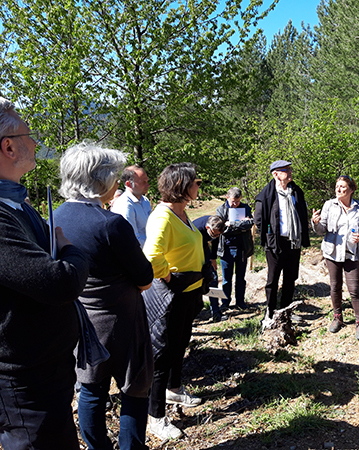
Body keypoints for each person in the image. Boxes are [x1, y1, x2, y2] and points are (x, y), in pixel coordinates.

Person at [0, 97, 89, 449]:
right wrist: (68, 247)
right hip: (24, 383)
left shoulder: (15, 203)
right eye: (29, 134)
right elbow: (60, 281)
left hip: (44, 371)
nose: (35, 142)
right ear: (8, 146)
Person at [54, 143, 154, 450]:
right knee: (134, 390)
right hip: (123, 322)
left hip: (80, 322)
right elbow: (145, 277)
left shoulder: (54, 218)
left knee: (91, 390)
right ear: (101, 180)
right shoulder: (111, 224)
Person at [143, 163, 205, 440]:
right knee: (163, 354)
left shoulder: (182, 213)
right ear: (181, 186)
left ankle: (175, 390)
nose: (199, 185)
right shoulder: (163, 217)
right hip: (172, 296)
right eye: (196, 181)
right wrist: (168, 276)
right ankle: (155, 417)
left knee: (180, 344)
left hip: (190, 292)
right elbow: (151, 255)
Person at [312, 176, 359, 341]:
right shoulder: (329, 205)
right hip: (332, 252)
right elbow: (321, 230)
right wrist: (315, 223)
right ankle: (337, 317)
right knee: (335, 286)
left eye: (342, 187)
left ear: (351, 189)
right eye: (336, 186)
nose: (338, 189)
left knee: (354, 289)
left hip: (352, 253)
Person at [255, 160, 310, 318]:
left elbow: (301, 213)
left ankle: (286, 311)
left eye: (290, 169)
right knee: (273, 280)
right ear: (276, 174)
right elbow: (259, 220)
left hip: (293, 242)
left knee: (290, 278)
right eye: (286, 170)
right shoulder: (266, 195)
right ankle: (270, 312)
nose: (290, 172)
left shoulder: (296, 191)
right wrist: (270, 234)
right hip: (275, 244)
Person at [215, 187, 254, 311]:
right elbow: (222, 229)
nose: (235, 204)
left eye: (237, 202)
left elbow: (250, 224)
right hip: (226, 249)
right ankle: (225, 303)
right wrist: (241, 225)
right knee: (227, 279)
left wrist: (232, 224)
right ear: (227, 198)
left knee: (240, 278)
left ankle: (240, 302)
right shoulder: (221, 210)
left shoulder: (246, 208)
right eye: (233, 201)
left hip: (242, 249)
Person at [191, 215, 227, 322]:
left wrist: (213, 258)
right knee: (195, 283)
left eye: (218, 234)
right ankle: (194, 313)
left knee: (213, 279)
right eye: (214, 234)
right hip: (193, 252)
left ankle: (216, 313)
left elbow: (215, 241)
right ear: (208, 228)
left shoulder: (217, 227)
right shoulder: (196, 228)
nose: (216, 236)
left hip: (205, 250)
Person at [110, 165, 152, 246]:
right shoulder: (124, 205)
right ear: (129, 184)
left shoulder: (145, 200)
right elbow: (132, 238)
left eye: (147, 181)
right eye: (143, 182)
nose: (148, 185)